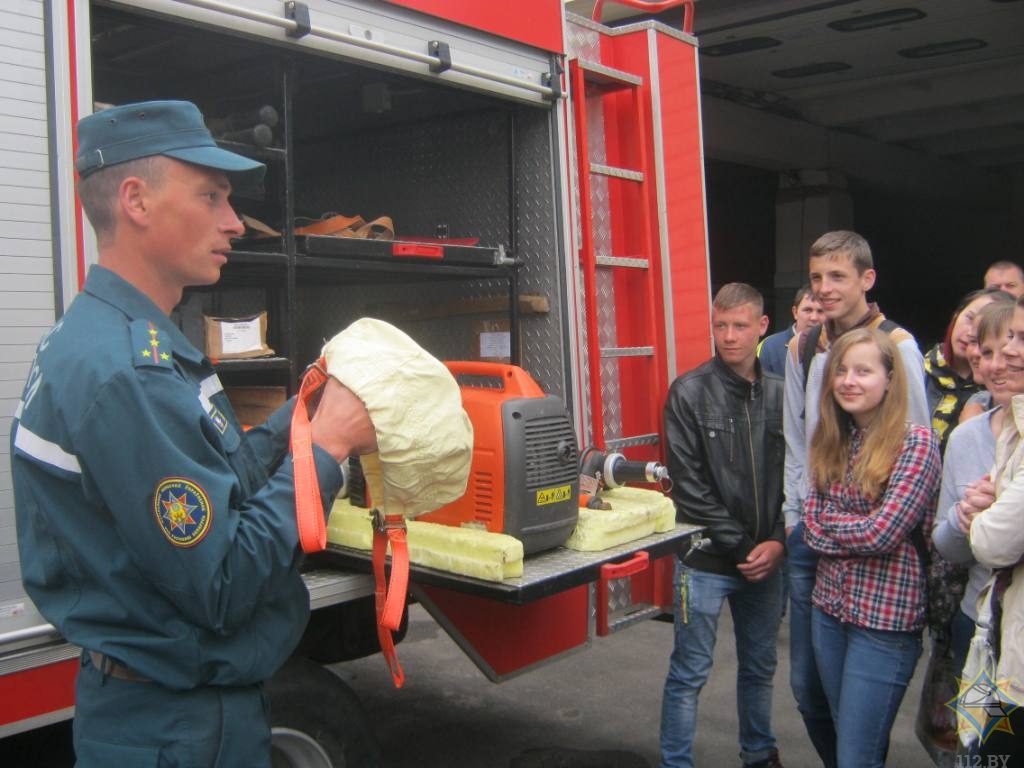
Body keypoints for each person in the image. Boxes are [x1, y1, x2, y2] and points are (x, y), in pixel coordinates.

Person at [10, 101, 378, 766]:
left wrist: (298, 417)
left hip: (171, 705)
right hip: (175, 727)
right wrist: (328, 449)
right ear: (136, 201)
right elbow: (225, 581)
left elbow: (216, 481)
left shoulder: (120, 339)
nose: (235, 222)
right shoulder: (127, 373)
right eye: (210, 196)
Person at [782, 230, 929, 768]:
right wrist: (798, 519)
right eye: (817, 277)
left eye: (837, 276)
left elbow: (906, 447)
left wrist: (838, 525)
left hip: (880, 574)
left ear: (866, 280)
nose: (824, 288)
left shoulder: (900, 346)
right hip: (812, 549)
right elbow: (800, 442)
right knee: (808, 691)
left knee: (859, 722)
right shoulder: (804, 344)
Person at [660, 283, 786, 768]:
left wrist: (777, 540)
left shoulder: (781, 392)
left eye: (739, 326)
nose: (729, 337)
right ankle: (676, 762)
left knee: (760, 668)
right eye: (720, 326)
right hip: (706, 558)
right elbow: (688, 488)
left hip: (766, 560)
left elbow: (795, 476)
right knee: (689, 670)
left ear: (761, 327)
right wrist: (743, 547)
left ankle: (759, 754)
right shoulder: (688, 392)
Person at [803, 328, 941, 768]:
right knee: (845, 736)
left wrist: (834, 527)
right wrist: (852, 528)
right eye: (840, 370)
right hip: (829, 609)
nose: (849, 380)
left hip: (883, 624)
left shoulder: (915, 443)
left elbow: (882, 533)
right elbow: (810, 525)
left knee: (856, 755)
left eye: (864, 371)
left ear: (889, 379)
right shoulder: (832, 438)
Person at [962, 295, 1024, 765]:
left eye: (1019, 342)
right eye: (989, 352)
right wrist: (973, 510)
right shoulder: (997, 434)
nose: (1002, 361)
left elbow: (992, 542)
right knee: (972, 749)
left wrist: (981, 515)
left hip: (1016, 666)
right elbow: (955, 532)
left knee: (994, 754)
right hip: (987, 635)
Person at [924, 289, 1011, 453]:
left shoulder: (994, 395)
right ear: (956, 315)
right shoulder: (918, 370)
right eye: (969, 318)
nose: (972, 331)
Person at [758, 285, 824, 376]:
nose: (814, 318)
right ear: (795, 312)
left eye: (821, 311)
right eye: (808, 310)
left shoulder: (835, 347)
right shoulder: (770, 346)